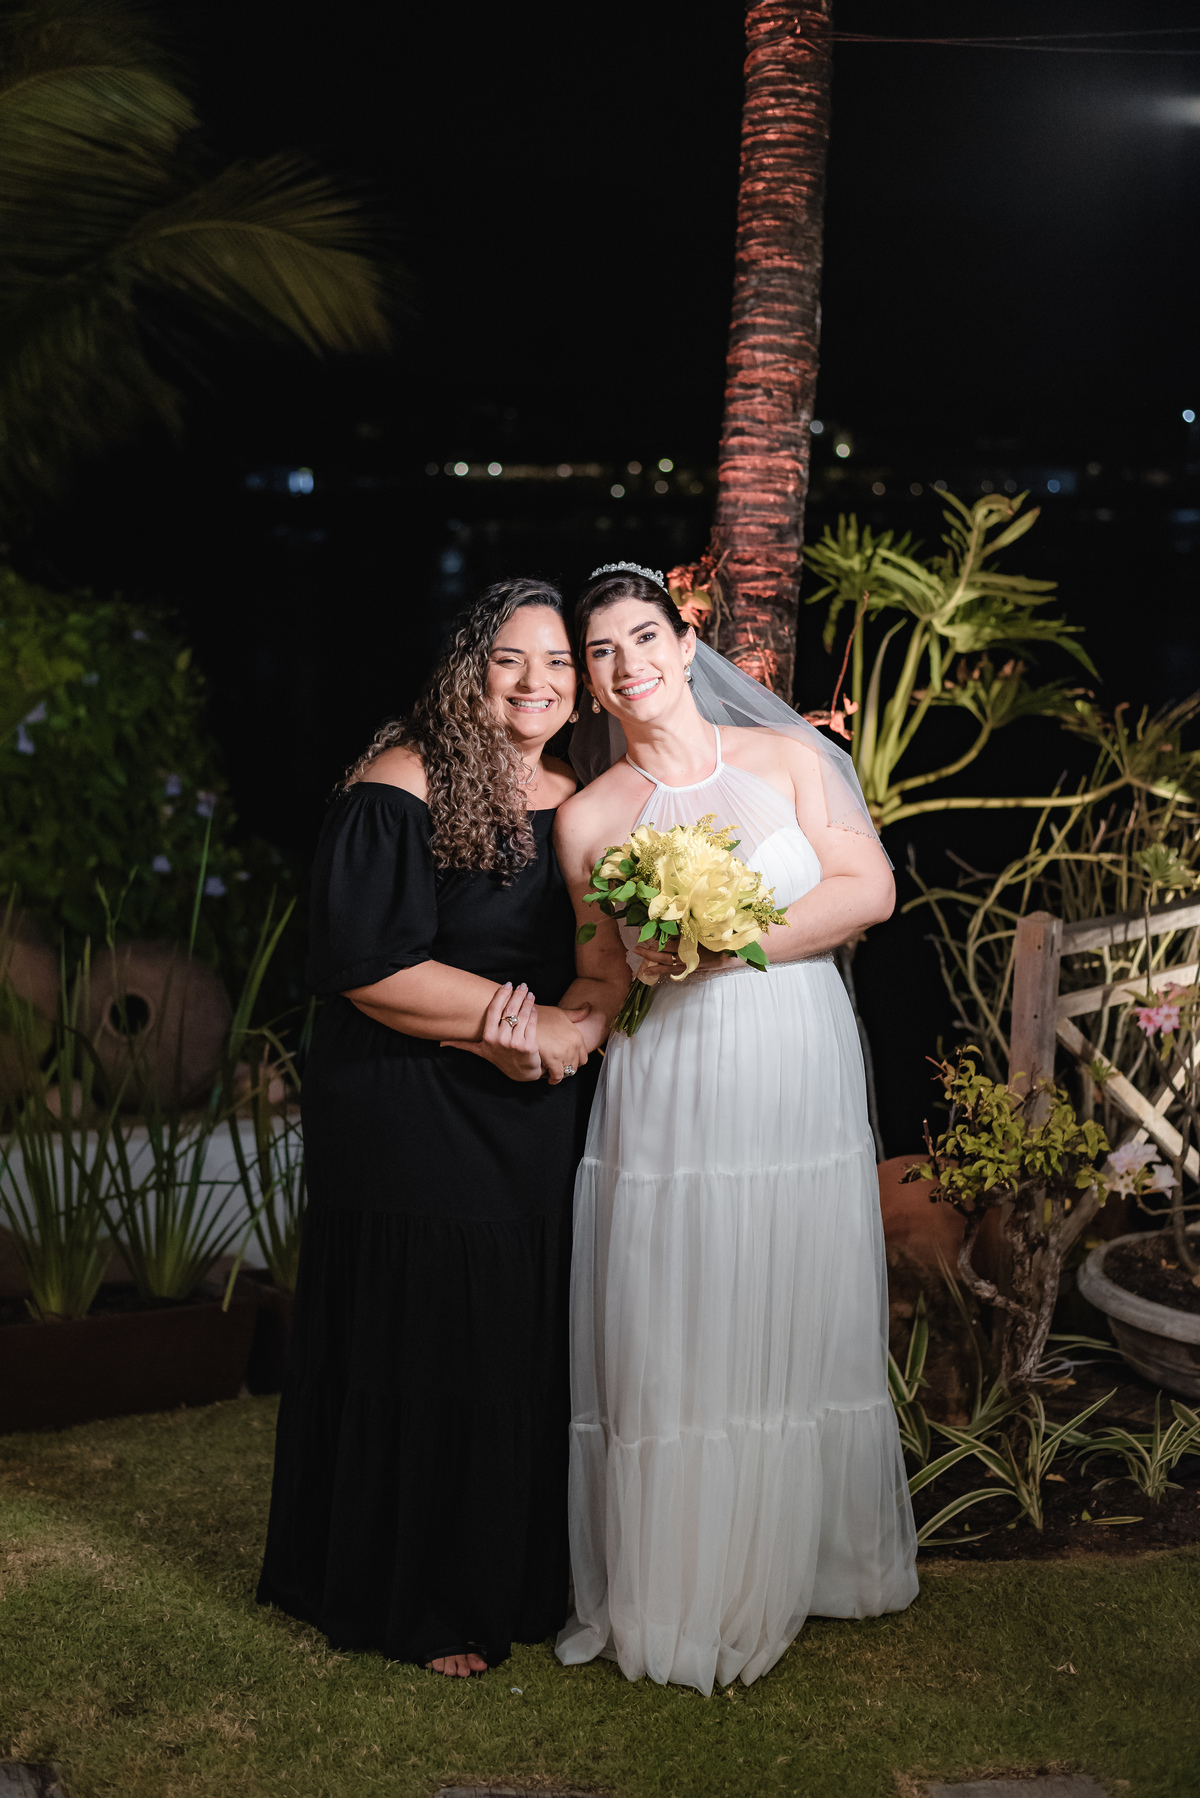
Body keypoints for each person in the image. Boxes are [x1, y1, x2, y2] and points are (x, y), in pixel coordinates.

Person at [552, 564, 918, 1696]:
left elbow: (868, 887)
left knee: (794, 1284)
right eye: (603, 651)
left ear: (684, 638)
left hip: (795, 1056)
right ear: (592, 682)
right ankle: (684, 1576)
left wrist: (725, 940)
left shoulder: (790, 759)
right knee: (682, 1300)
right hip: (673, 1077)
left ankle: (812, 1553)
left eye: (645, 636)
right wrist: (561, 1015)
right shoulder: (589, 818)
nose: (630, 664)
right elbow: (600, 969)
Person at [258, 578, 616, 1678]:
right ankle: (411, 1596)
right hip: (410, 1090)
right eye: (511, 658)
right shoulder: (400, 781)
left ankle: (510, 1579)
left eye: (557, 663)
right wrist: (508, 1031)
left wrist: (574, 1031)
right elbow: (367, 966)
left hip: (536, 1095)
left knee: (515, 1331)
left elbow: (604, 954)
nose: (537, 682)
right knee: (429, 1330)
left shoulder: (580, 794)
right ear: (470, 668)